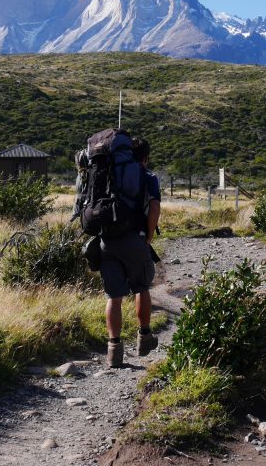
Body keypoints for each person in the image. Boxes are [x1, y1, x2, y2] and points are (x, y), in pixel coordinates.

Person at [100, 136, 161, 367]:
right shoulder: (148, 177)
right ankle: (144, 337)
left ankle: (114, 350)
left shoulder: (108, 173)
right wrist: (149, 236)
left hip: (107, 240)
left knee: (114, 296)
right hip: (135, 238)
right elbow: (154, 207)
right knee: (141, 287)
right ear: (145, 157)